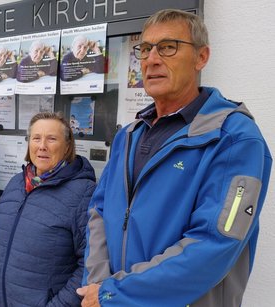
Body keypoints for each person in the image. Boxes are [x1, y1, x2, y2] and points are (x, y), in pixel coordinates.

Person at [78, 9, 272, 307]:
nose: (152, 59)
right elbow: (98, 212)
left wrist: (115, 293)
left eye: (168, 47)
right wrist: (99, 284)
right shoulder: (128, 136)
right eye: (144, 49)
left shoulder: (235, 139)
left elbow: (215, 245)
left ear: (201, 57)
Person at [0, 112, 96, 306]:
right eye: (36, 138)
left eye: (52, 139)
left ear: (67, 146)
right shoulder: (16, 183)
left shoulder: (83, 192)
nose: (42, 146)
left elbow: (89, 263)